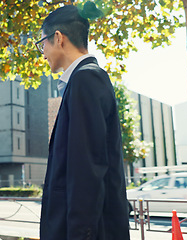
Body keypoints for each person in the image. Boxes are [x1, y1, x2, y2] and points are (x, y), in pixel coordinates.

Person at [36, 3, 130, 240]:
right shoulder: (84, 79)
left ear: (58, 38)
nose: (43, 52)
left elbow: (86, 170)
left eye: (42, 43)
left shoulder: (85, 79)